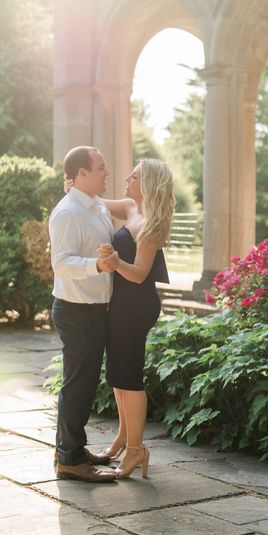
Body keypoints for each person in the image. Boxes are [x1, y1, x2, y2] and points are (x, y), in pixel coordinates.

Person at [97, 159, 174, 478]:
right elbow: (96, 202)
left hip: (136, 305)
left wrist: (116, 264)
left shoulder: (152, 224)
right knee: (117, 373)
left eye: (135, 175)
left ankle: (136, 451)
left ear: (149, 184)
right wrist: (75, 187)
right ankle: (123, 439)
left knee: (129, 376)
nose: (127, 177)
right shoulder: (130, 207)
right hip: (121, 303)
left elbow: (141, 274)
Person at [49, 146, 119, 482]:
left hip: (93, 309)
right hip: (78, 310)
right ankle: (71, 459)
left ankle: (69, 448)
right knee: (78, 385)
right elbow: (61, 264)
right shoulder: (67, 213)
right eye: (101, 167)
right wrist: (97, 265)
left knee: (82, 384)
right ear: (81, 175)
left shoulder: (96, 206)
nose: (107, 172)